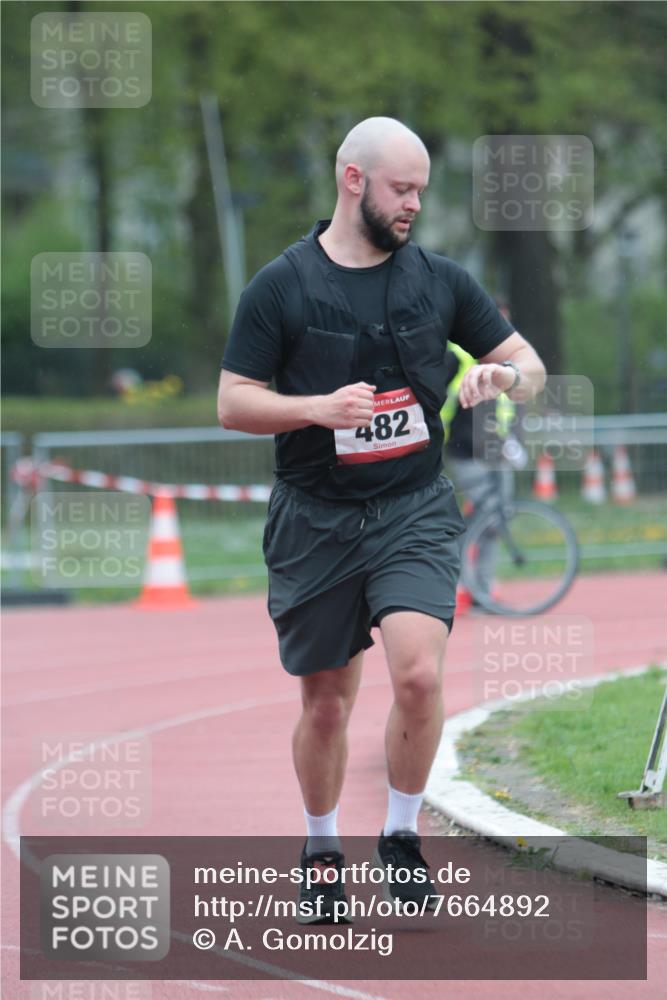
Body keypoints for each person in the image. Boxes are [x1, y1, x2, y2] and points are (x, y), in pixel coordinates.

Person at [217, 116, 546, 922]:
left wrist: (497, 383)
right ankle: (321, 847)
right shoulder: (281, 286)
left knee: (418, 674)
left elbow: (529, 365)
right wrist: (314, 408)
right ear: (353, 180)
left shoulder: (439, 280)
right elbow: (232, 402)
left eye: (422, 192)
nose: (413, 206)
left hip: (412, 508)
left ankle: (400, 838)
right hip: (315, 518)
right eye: (401, 189)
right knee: (326, 703)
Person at [442, 301, 529, 607]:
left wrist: (516, 442)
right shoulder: (460, 357)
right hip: (465, 450)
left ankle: (482, 585)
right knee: (482, 515)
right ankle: (461, 581)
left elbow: (518, 404)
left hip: (499, 453)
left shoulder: (512, 362)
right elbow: (449, 402)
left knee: (496, 518)